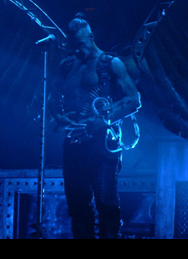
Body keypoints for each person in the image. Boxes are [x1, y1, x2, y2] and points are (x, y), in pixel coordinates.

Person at [50, 13, 141, 239]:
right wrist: (60, 117)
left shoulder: (111, 64)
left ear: (91, 38)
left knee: (106, 204)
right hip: (74, 144)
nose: (76, 50)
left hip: (104, 145)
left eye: (80, 44)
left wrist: (97, 124)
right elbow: (53, 97)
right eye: (72, 45)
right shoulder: (66, 66)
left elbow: (133, 100)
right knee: (78, 208)